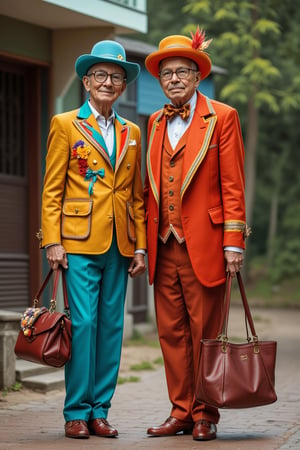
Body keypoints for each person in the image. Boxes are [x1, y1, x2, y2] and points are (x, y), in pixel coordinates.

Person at [39, 40, 147, 439]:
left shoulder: (133, 131)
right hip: (78, 242)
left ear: (123, 86)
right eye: (100, 75)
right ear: (86, 81)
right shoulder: (65, 124)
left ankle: (101, 410)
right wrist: (52, 240)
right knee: (82, 324)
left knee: (111, 327)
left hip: (120, 245)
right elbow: (52, 189)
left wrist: (140, 245)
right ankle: (75, 411)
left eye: (116, 77)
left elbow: (135, 193)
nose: (107, 82)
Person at [144, 28, 248, 441]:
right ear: (160, 79)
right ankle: (180, 410)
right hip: (162, 244)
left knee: (205, 331)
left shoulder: (222, 116)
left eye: (181, 72)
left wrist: (234, 241)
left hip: (206, 243)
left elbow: (233, 185)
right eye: (166, 73)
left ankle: (206, 413)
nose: (173, 79)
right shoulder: (152, 122)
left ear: (197, 75)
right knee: (171, 333)